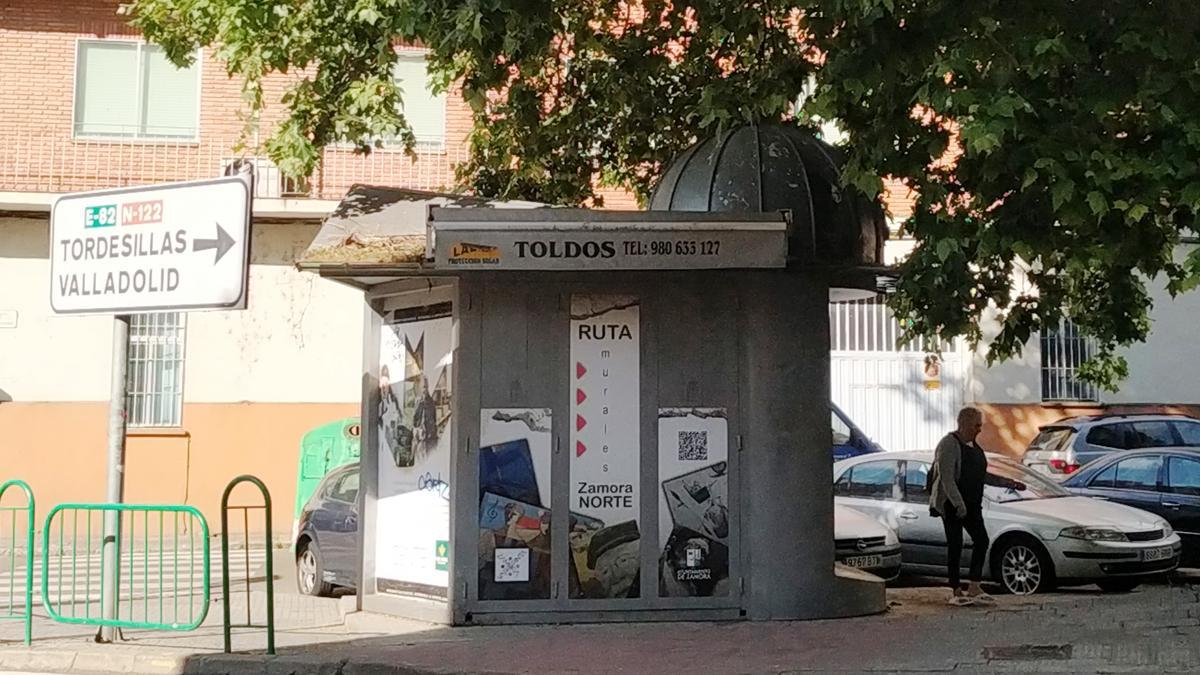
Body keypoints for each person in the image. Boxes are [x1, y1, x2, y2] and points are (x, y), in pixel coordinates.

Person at [930, 406, 1024, 606]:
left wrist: (1008, 483)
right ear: (964, 423)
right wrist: (958, 504)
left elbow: (982, 475)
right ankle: (955, 590)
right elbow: (947, 479)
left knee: (982, 540)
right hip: (952, 504)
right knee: (955, 545)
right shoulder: (949, 444)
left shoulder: (974, 446)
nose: (979, 429)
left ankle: (974, 585)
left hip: (973, 503)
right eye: (977, 425)